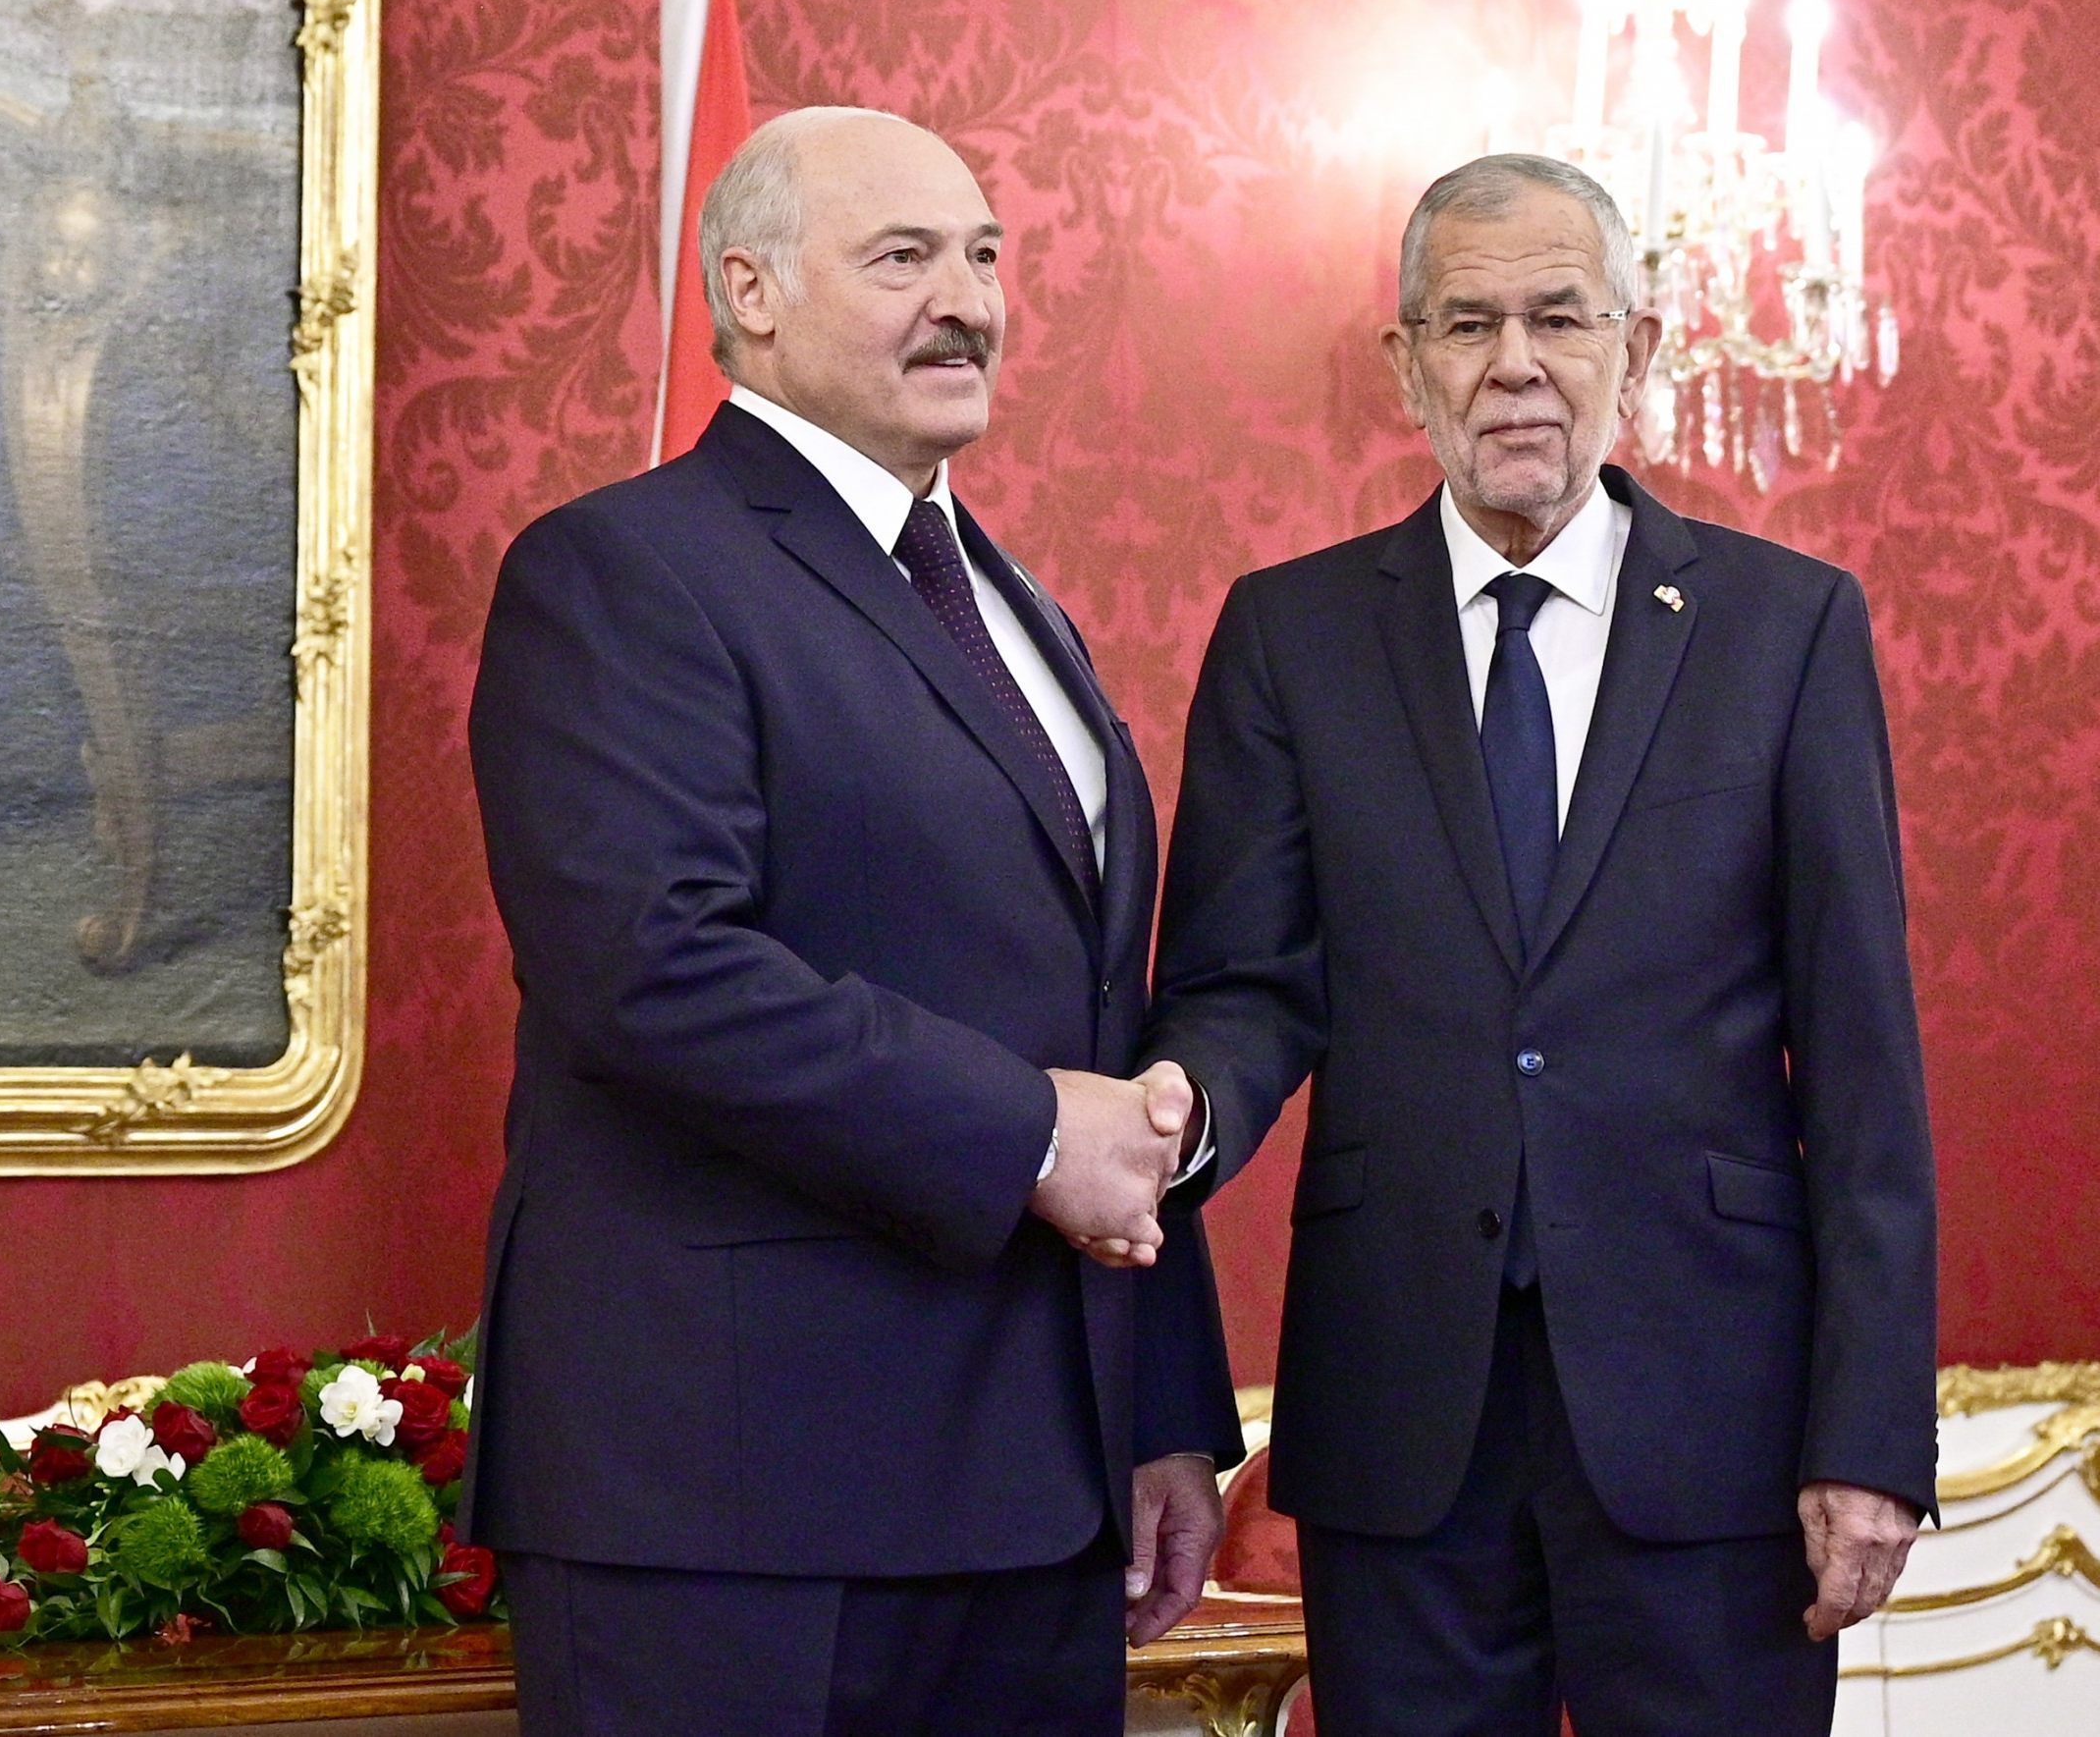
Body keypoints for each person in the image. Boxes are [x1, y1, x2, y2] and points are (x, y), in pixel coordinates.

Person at [462, 106, 1240, 1737]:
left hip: (1035, 1498)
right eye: (902, 259)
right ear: (746, 291)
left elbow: (1093, 1016)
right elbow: (653, 971)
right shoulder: (620, 571)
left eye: (983, 256)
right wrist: (1030, 1132)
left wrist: (1159, 1408)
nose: (966, 300)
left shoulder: (1015, 602)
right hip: (733, 1504)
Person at [1144, 152, 1938, 1734]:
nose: (1516, 364)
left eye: (1561, 319)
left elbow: (1861, 1063)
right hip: (1400, 1417)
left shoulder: (1786, 629)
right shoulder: (1290, 635)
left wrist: (1867, 1437)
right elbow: (1239, 987)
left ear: (1636, 348)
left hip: (1713, 1415)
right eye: (1469, 323)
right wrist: (1176, 1110)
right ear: (1406, 363)